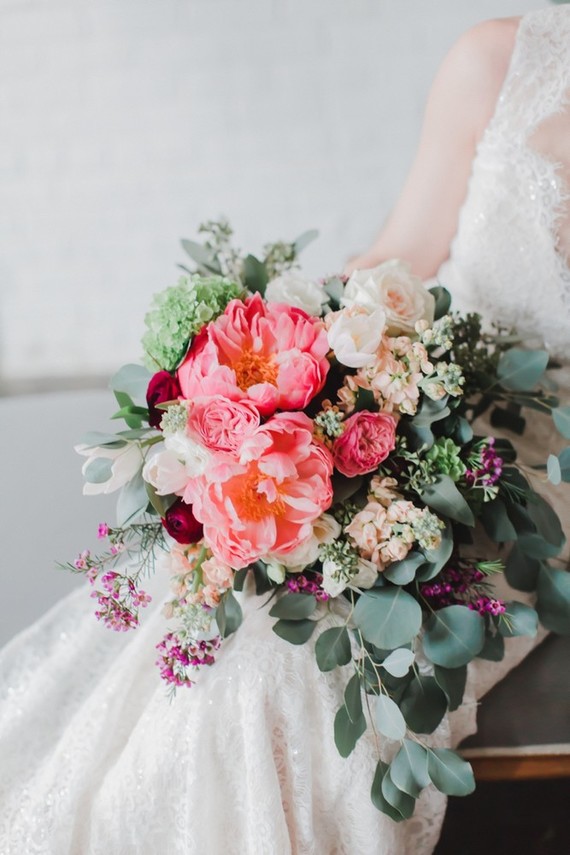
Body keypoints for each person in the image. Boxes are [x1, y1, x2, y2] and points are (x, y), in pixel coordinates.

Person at [0, 7, 568, 854]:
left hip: (528, 489)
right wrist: (278, 365)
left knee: (293, 678)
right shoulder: (497, 62)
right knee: (204, 618)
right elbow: (399, 255)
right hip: (403, 413)